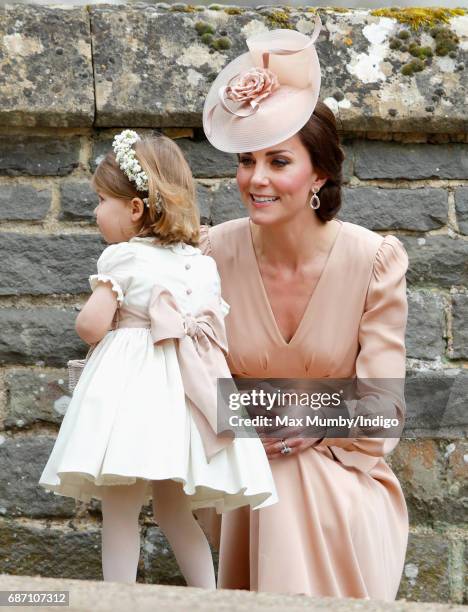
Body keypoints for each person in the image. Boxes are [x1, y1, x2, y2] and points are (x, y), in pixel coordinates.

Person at [198, 18, 409, 600]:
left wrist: (314, 420)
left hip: (347, 480)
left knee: (292, 472)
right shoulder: (211, 254)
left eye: (277, 161)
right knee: (274, 472)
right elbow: (195, 389)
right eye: (246, 161)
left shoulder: (373, 261)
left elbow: (383, 411)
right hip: (239, 480)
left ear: (319, 172)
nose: (255, 179)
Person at [39, 130, 277, 587]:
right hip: (185, 400)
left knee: (121, 505)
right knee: (174, 509)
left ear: (134, 208)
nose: (94, 211)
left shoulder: (122, 258)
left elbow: (90, 327)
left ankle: (118, 597)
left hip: (134, 400)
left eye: (101, 200)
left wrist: (101, 295)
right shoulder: (201, 264)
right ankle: (208, 595)